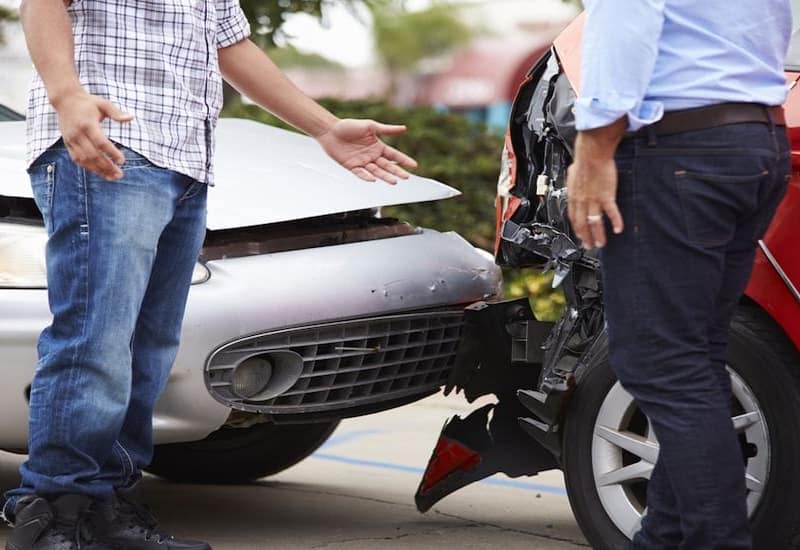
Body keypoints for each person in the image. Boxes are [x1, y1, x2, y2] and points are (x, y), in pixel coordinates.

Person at [6, 1, 418, 549]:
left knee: (147, 351)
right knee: (95, 342)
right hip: (107, 147)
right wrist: (66, 95)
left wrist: (325, 128)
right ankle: (56, 514)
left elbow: (230, 45)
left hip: (185, 163)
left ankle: (110, 507)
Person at [566, 1, 790, 548]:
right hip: (754, 139)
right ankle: (664, 538)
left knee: (662, 365)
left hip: (681, 149)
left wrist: (593, 149)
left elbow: (627, 18)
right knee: (694, 359)